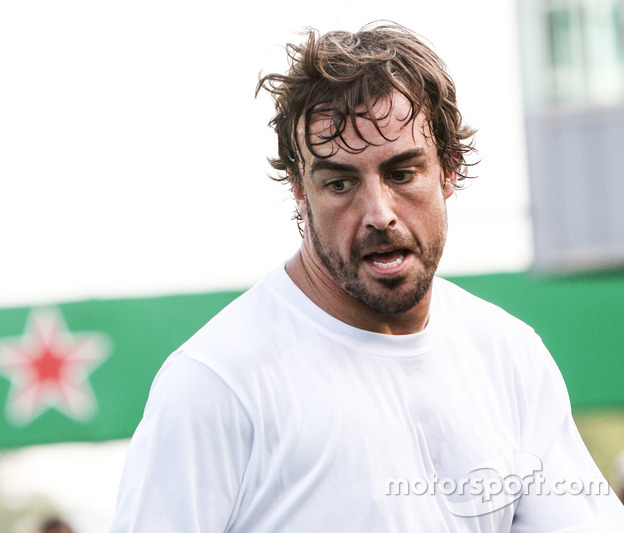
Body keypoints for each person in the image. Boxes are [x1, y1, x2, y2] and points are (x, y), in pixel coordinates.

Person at [110, 23, 624, 531]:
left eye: (401, 173)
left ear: (448, 168)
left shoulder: (510, 356)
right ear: (299, 190)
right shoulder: (216, 382)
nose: (379, 213)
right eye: (340, 182)